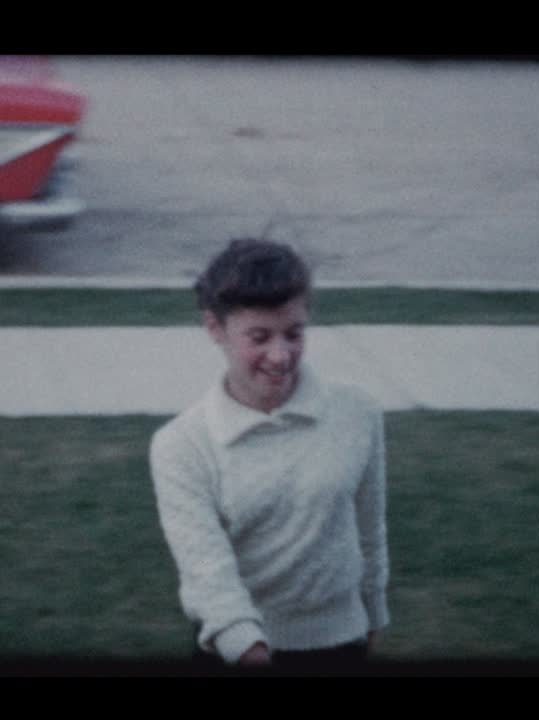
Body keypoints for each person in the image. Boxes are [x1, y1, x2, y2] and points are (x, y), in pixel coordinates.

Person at [149, 238, 389, 672]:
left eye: (294, 334)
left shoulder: (359, 413)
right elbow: (206, 571)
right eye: (259, 337)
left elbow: (370, 532)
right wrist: (250, 648)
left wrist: (374, 613)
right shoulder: (181, 444)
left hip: (342, 642)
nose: (280, 356)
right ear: (214, 329)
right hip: (236, 652)